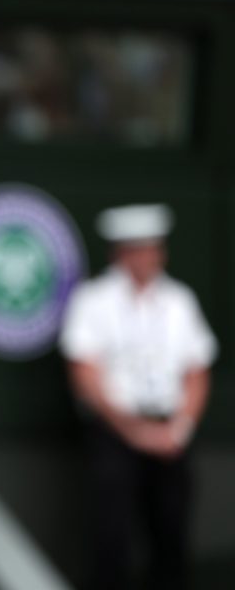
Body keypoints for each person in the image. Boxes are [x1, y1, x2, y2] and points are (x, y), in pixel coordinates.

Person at [60, 203, 216, 589]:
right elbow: (85, 375)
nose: (147, 257)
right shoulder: (93, 300)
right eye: (137, 249)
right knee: (110, 534)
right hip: (114, 434)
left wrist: (179, 428)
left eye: (152, 248)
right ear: (120, 252)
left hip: (170, 433)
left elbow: (197, 371)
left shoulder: (181, 301)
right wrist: (131, 430)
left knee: (171, 529)